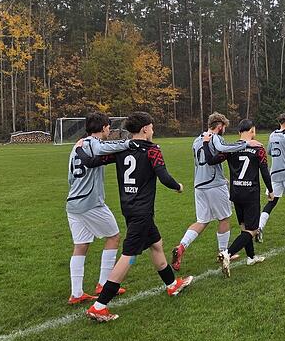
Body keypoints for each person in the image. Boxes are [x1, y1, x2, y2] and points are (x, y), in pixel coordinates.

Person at [87, 112, 191, 322]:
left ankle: (172, 285)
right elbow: (164, 177)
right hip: (142, 211)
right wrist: (178, 186)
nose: (153, 131)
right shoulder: (152, 150)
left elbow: (92, 161)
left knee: (156, 244)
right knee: (128, 256)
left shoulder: (121, 149)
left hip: (129, 207)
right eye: (151, 127)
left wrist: (81, 147)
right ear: (145, 129)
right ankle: (99, 305)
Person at [171, 112, 258, 272]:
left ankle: (182, 246)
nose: (224, 130)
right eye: (224, 127)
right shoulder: (215, 137)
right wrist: (246, 144)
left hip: (199, 185)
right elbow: (222, 148)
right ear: (219, 126)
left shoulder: (197, 140)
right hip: (214, 185)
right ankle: (224, 252)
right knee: (224, 218)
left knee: (202, 221)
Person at [65, 112, 132, 305]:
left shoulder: (76, 146)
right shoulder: (94, 143)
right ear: (103, 127)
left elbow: (70, 177)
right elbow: (114, 147)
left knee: (81, 245)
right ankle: (103, 283)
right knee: (114, 236)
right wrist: (131, 143)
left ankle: (76, 293)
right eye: (108, 127)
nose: (109, 130)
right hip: (90, 203)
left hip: (72, 203)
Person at [207, 119, 273, 275]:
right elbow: (264, 171)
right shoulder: (258, 148)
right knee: (253, 229)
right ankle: (227, 253)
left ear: (238, 133)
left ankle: (251, 257)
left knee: (244, 226)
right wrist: (271, 190)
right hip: (251, 193)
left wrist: (205, 143)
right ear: (252, 131)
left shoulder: (231, 148)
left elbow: (212, 160)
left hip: (236, 192)